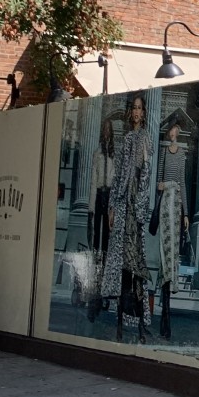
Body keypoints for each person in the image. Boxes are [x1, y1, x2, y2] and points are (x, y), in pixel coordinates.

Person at [108, 93, 152, 343]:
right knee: (123, 263)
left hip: (137, 205)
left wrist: (141, 204)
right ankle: (121, 319)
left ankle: (140, 320)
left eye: (139, 108)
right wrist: (113, 206)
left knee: (137, 263)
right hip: (123, 203)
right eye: (133, 108)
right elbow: (118, 174)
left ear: (143, 113)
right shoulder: (125, 139)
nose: (136, 112)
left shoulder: (145, 138)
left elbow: (145, 172)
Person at [155, 109, 191, 341]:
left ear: (178, 131)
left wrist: (186, 213)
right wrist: (167, 186)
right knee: (164, 252)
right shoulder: (164, 153)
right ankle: (163, 305)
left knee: (173, 254)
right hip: (165, 206)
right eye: (171, 129)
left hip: (176, 206)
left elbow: (183, 183)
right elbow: (159, 183)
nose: (173, 132)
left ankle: (168, 310)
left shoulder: (182, 154)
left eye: (176, 129)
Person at [86, 117, 116, 322]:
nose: (106, 133)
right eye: (104, 130)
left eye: (108, 130)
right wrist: (90, 208)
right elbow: (93, 181)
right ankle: (94, 295)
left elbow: (115, 181)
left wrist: (112, 208)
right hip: (98, 197)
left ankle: (103, 293)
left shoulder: (114, 155)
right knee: (96, 245)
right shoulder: (97, 153)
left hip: (109, 198)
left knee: (106, 246)